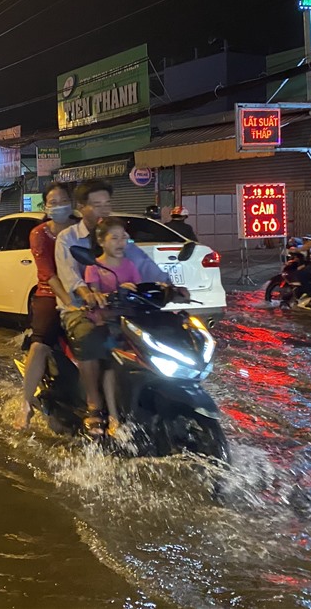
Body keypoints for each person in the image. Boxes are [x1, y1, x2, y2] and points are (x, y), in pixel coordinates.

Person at [55, 179, 188, 436]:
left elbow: (146, 267)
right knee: (90, 338)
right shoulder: (68, 238)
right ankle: (94, 404)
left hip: (123, 309)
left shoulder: (122, 240)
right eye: (96, 205)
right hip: (81, 309)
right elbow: (70, 276)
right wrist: (88, 293)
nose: (104, 210)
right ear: (81, 208)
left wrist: (172, 288)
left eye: (107, 204)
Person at [17, 182, 77, 429]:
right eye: (53, 202)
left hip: (83, 293)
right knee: (40, 344)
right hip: (49, 294)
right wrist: (69, 302)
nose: (59, 205)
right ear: (45, 206)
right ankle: (26, 404)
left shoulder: (82, 230)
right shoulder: (39, 233)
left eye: (63, 200)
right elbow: (47, 273)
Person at [82, 217, 144, 434]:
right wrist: (106, 295)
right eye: (114, 238)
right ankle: (112, 415)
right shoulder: (94, 268)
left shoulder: (129, 265)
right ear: (101, 241)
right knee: (112, 364)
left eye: (123, 237)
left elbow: (140, 289)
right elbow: (94, 294)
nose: (120, 242)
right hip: (105, 321)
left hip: (129, 322)